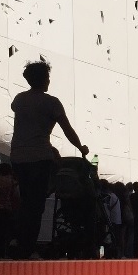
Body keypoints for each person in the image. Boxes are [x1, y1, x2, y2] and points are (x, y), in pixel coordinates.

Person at [10, 61, 88, 258]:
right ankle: (28, 248)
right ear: (45, 79)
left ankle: (19, 242)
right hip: (39, 157)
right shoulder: (52, 102)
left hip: (18, 155)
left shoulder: (19, 100)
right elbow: (67, 129)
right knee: (36, 204)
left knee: (25, 201)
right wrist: (80, 147)